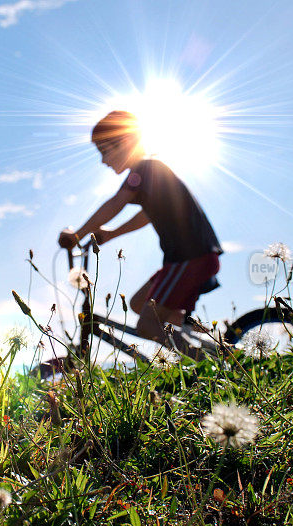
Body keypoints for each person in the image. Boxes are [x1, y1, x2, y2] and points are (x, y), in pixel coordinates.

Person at [58, 110, 223, 353]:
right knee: (137, 303)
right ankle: (212, 338)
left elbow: (116, 203)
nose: (103, 161)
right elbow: (146, 216)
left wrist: (78, 234)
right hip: (190, 259)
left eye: (105, 151)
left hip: (190, 258)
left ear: (125, 142)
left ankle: (204, 364)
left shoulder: (144, 169)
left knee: (147, 325)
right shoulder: (151, 173)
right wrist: (111, 234)